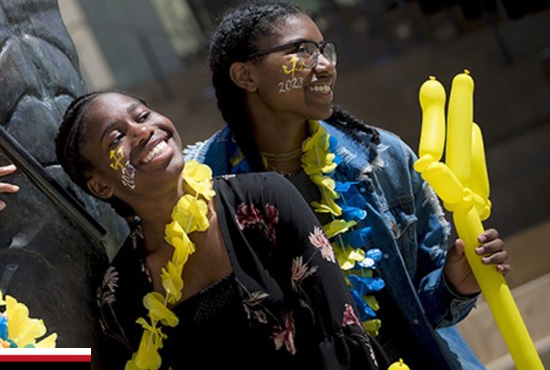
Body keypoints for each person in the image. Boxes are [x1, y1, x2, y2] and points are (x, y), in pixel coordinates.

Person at [183, 1, 510, 369]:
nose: (324, 65)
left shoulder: (381, 157)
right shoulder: (201, 188)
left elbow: (424, 309)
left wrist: (456, 283)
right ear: (246, 76)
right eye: (301, 51)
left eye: (325, 49)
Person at [54, 90, 389, 370]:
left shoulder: (265, 201)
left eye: (142, 116)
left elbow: (340, 330)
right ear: (100, 187)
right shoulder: (121, 291)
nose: (143, 132)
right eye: (117, 137)